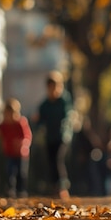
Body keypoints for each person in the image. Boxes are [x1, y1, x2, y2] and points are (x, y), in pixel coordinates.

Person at [33, 71, 73, 199]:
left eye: (56, 87)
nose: (53, 91)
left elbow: (67, 115)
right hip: (50, 137)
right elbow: (40, 121)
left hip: (62, 136)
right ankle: (54, 186)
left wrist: (65, 123)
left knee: (57, 159)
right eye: (50, 88)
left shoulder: (64, 100)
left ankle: (62, 186)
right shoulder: (45, 105)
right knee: (51, 162)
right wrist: (36, 121)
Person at [0, 98, 32, 198]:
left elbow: (27, 135)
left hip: (21, 154)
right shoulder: (3, 125)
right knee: (10, 172)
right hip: (9, 153)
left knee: (22, 173)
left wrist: (23, 144)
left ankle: (21, 190)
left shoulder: (20, 123)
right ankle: (10, 189)